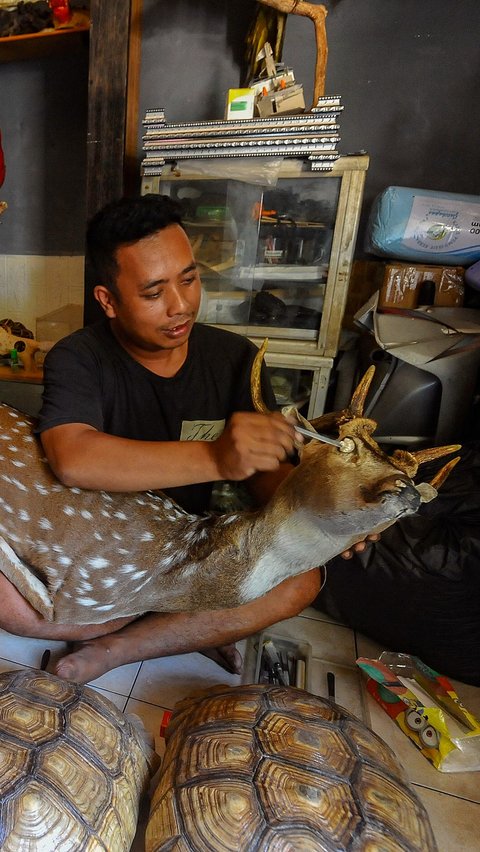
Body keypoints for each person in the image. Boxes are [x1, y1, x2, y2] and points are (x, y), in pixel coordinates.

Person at [0, 194, 374, 684]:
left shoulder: (235, 358)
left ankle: (113, 648)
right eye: (154, 293)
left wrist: (327, 512)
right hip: (95, 548)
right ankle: (189, 628)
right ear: (108, 301)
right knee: (9, 602)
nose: (180, 306)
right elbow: (73, 457)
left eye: (190, 279)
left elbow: (266, 478)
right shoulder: (78, 357)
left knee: (301, 580)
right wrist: (218, 457)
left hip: (186, 545)